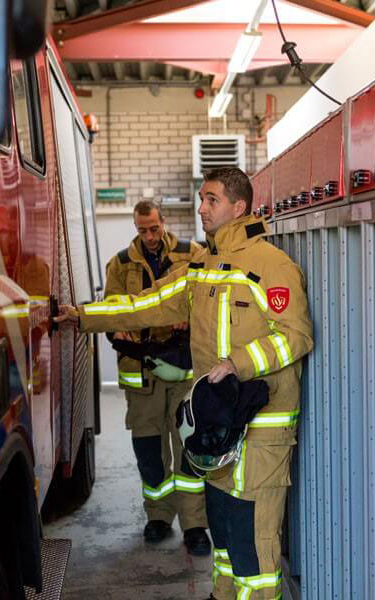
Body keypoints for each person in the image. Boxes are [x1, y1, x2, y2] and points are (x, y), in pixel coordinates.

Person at [56, 167, 314, 600]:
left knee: (253, 545)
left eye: (211, 199)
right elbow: (148, 304)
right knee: (224, 536)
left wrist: (237, 363)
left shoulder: (272, 265)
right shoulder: (202, 265)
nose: (201, 208)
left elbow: (296, 335)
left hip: (262, 429)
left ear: (239, 206)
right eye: (201, 198)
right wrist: (82, 317)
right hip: (217, 428)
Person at [104, 200, 210, 555]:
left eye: (153, 228)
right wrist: (126, 331)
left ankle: (195, 525)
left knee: (188, 450)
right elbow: (114, 310)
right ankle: (159, 517)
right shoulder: (119, 265)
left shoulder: (192, 253)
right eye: (142, 230)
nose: (149, 237)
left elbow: (206, 302)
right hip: (143, 375)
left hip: (183, 371)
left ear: (163, 223)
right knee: (149, 451)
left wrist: (188, 319)